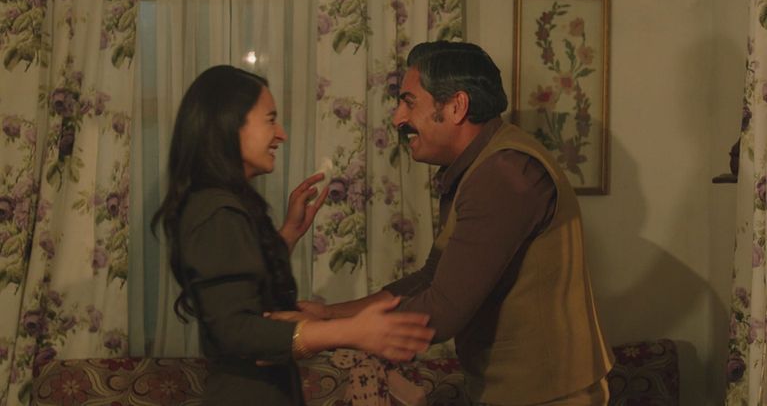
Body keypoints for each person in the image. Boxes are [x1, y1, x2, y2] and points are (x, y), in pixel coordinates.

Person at [296, 42, 615, 405]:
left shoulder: (503, 174)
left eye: (409, 102)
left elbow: (442, 310)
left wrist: (324, 332)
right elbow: (432, 277)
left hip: (548, 394)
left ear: (456, 107)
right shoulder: (480, 166)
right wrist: (328, 314)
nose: (398, 119)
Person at [151, 65, 435, 406]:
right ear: (229, 124)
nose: (281, 134)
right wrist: (350, 331)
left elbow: (245, 290)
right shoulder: (216, 211)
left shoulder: (223, 205)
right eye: (270, 120)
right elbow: (235, 330)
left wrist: (288, 233)